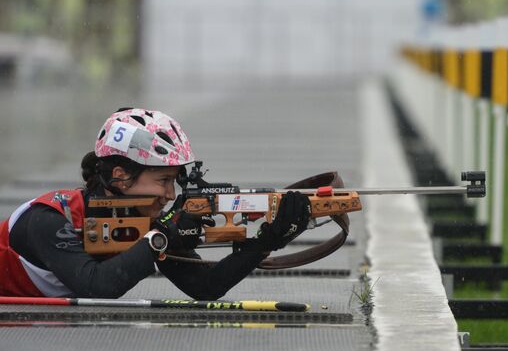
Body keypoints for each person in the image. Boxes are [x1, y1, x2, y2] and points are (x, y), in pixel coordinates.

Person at [0, 108, 311, 299]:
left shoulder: (144, 222)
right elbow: (98, 287)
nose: (170, 194)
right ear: (121, 177)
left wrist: (267, 241)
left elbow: (205, 286)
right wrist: (162, 235)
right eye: (163, 180)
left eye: (174, 181)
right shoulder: (51, 218)